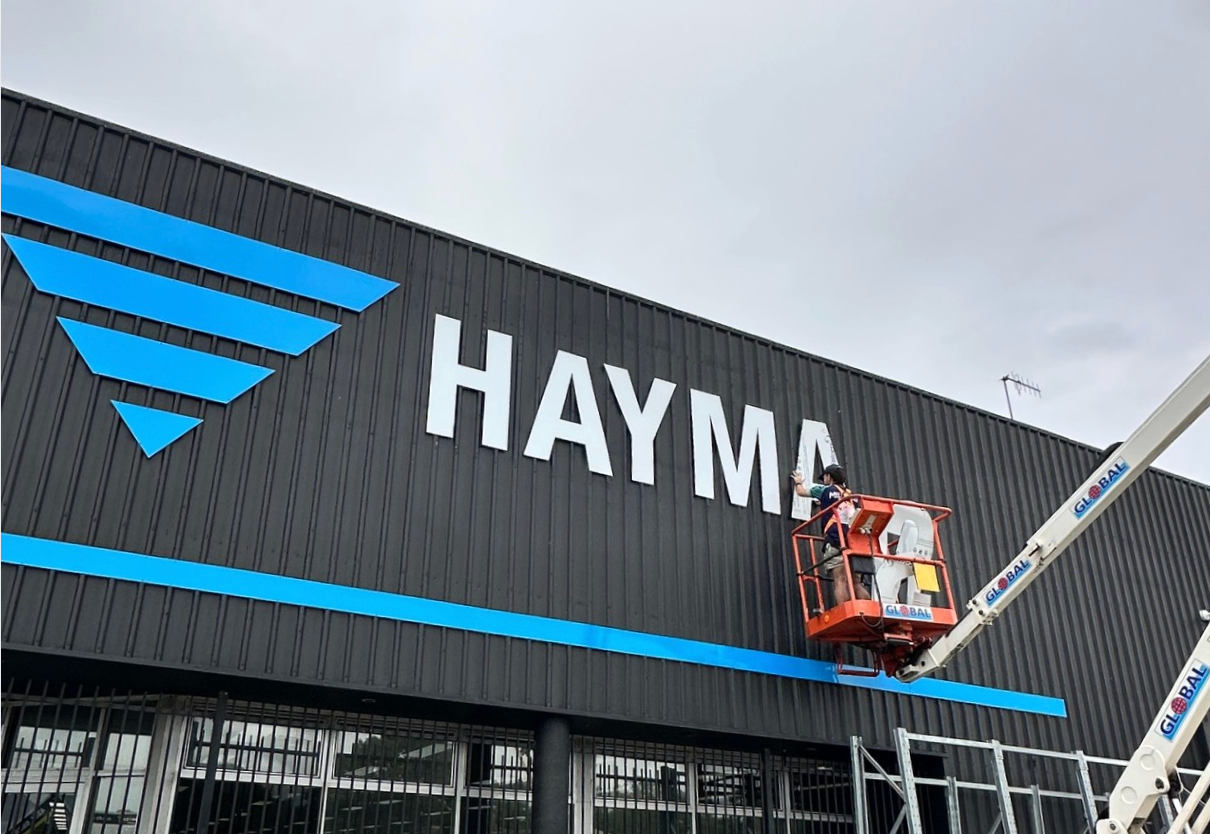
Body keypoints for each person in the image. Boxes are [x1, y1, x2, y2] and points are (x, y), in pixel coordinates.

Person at [793, 463, 870, 605]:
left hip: (835, 540)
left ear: (829, 477)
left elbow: (801, 492)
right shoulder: (851, 496)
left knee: (840, 580)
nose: (824, 480)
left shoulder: (824, 490)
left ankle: (845, 611)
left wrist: (798, 482)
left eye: (825, 477)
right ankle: (866, 609)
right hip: (854, 542)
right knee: (856, 582)